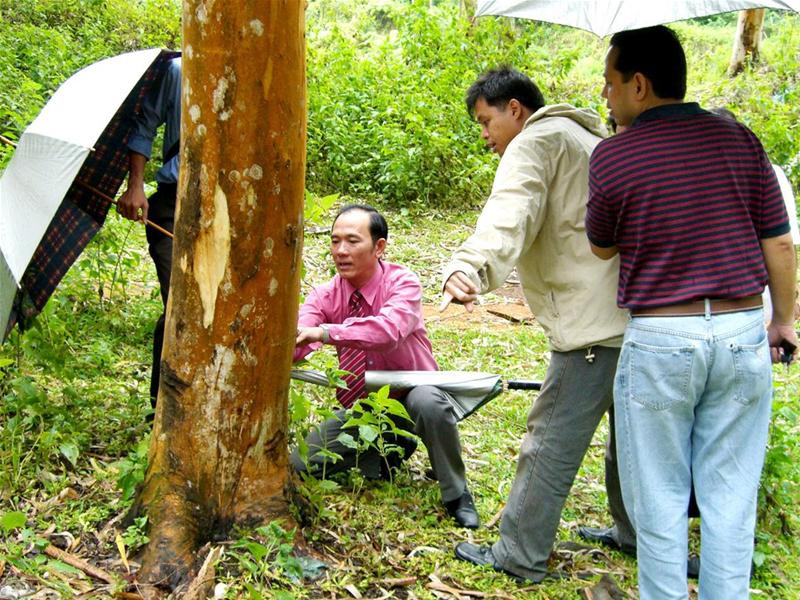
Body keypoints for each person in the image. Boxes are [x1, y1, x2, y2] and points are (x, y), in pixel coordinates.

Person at [586, 26, 798, 599]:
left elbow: (602, 246)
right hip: (740, 330)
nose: (604, 96)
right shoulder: (741, 140)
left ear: (639, 84)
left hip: (660, 336)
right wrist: (783, 321)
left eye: (609, 84)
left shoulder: (613, 155)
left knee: (658, 499)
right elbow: (778, 243)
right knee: (731, 498)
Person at [443, 66, 634, 583]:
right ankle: (633, 533)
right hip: (633, 314)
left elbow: (511, 210)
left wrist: (471, 266)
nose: (485, 136)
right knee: (632, 440)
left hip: (589, 321)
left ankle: (519, 554)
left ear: (516, 110)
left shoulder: (535, 143)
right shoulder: (586, 136)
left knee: (549, 439)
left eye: (486, 122)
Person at [293, 204, 479, 529]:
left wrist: (326, 333)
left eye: (352, 241)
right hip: (364, 407)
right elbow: (300, 337)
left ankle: (456, 494)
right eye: (335, 241)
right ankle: (389, 450)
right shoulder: (324, 295)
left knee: (429, 401)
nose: (341, 251)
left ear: (379, 247)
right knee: (299, 465)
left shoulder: (402, 283)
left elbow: (388, 331)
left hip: (412, 396)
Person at [117, 56, 181, 411]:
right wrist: (136, 185)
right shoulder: (180, 71)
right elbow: (145, 126)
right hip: (173, 204)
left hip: (231, 207)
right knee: (179, 305)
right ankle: (163, 409)